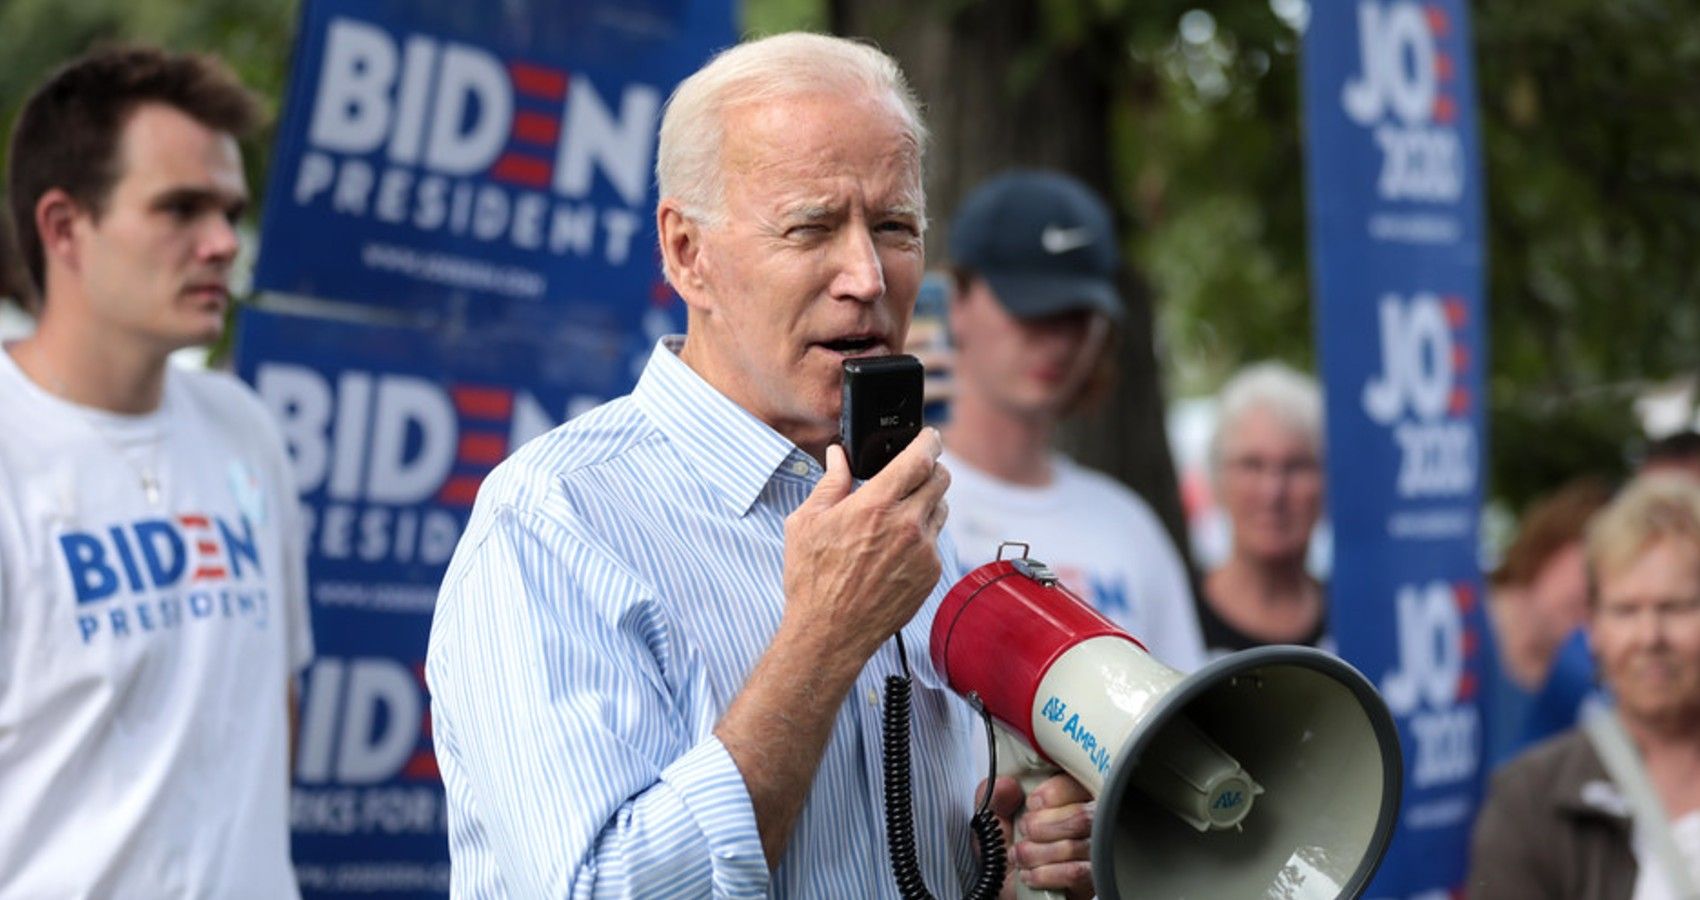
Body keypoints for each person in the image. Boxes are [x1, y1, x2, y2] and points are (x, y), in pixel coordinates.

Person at [426, 33, 1095, 898]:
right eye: (811, 226)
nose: (866, 277)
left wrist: (1004, 868)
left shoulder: (894, 501)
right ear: (686, 252)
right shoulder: (558, 518)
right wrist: (823, 637)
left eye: (895, 227)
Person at [0, 47, 312, 895]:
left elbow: (271, 702)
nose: (220, 243)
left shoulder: (242, 428)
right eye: (180, 208)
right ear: (63, 227)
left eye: (229, 211)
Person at [937, 169, 1206, 672]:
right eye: (1031, 309)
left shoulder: (1129, 527)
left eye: (1077, 315)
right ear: (957, 302)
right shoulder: (893, 505)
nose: (1058, 341)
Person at [1469, 475, 1700, 899]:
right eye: (1625, 610)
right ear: (1593, 627)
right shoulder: (1531, 799)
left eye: (1675, 607)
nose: (1649, 637)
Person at [1196, 361, 1330, 657]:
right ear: (1217, 478)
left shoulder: (1358, 620)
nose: (1273, 492)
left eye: (1296, 466)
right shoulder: (1178, 620)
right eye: (1251, 465)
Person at [1483, 477, 1614, 768]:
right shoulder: (1454, 629)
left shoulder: (1582, 678)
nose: (1600, 590)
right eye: (1593, 565)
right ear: (1552, 544)